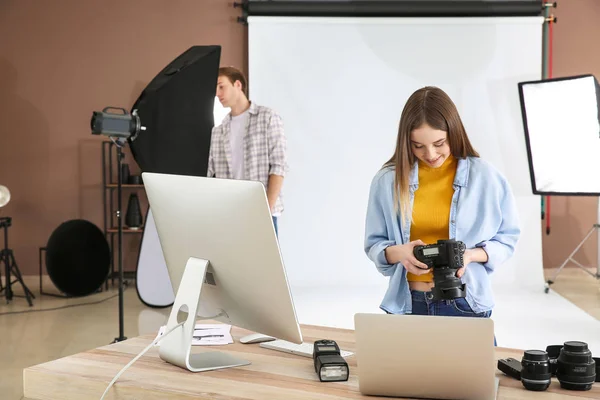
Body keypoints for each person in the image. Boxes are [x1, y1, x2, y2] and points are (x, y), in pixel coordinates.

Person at [364, 86, 520, 324]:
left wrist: (469, 256)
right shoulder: (388, 181)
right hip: (409, 303)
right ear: (406, 142)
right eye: (418, 146)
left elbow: (507, 238)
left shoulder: (486, 177)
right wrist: (400, 253)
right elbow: (374, 244)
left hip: (466, 301)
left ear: (454, 132)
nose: (431, 154)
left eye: (439, 143)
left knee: (479, 364)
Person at [207, 66, 288, 235]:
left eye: (221, 86)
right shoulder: (218, 131)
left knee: (265, 262)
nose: (217, 93)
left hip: (262, 212)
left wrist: (266, 210)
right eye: (215, 89)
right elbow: (208, 173)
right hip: (231, 214)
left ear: (237, 85)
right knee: (232, 262)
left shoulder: (268, 117)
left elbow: (279, 166)